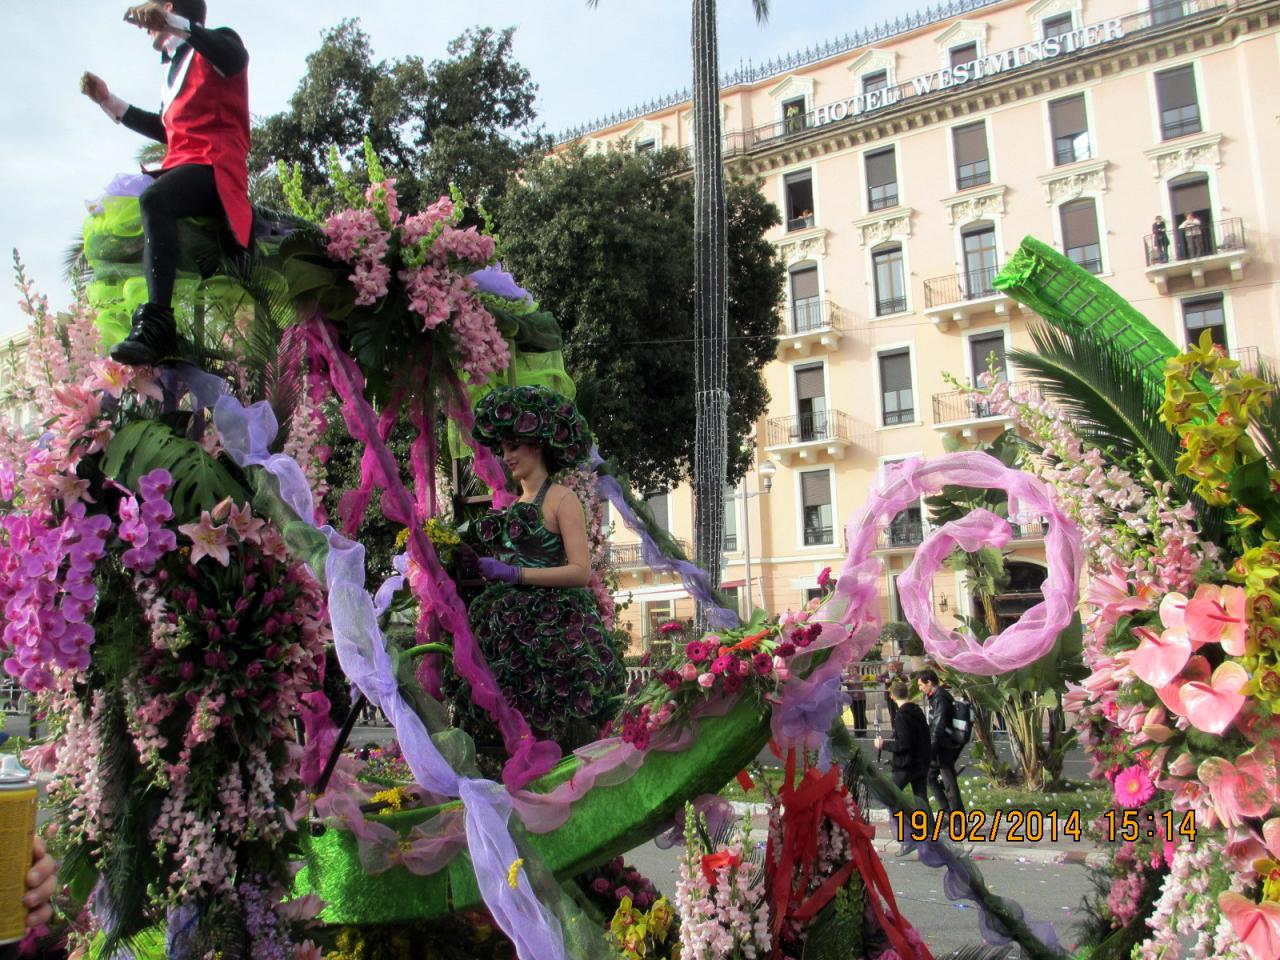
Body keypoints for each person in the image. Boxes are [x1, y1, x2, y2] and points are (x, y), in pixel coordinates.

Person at [445, 385, 624, 751]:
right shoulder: (515, 505)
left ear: (537, 444)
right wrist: (482, 564)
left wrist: (516, 574)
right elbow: (514, 563)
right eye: (503, 449)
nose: (506, 456)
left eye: (513, 447)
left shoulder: (563, 499)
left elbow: (579, 571)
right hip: (507, 630)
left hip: (558, 630)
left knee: (559, 734)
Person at [80, 1, 252, 367]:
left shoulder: (219, 42)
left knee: (155, 200)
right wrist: (107, 101)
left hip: (215, 166)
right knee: (135, 207)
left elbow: (235, 58)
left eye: (153, 10)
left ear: (169, 7)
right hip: (183, 167)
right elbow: (167, 130)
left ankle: (157, 323)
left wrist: (174, 23)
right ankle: (144, 323)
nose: (145, 25)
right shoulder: (174, 70)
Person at [875, 680, 931, 813]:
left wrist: (883, 744)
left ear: (892, 697)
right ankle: (929, 828)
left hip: (906, 764)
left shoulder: (901, 715)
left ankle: (903, 822)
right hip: (921, 761)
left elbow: (904, 743)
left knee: (891, 794)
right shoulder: (917, 710)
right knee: (921, 798)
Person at [918, 669, 965, 816]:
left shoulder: (940, 698)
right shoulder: (936, 697)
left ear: (929, 683)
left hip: (944, 746)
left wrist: (930, 750)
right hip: (941, 744)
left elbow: (938, 727)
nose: (920, 688)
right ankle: (947, 812)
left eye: (921, 685)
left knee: (948, 781)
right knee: (931, 777)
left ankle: (956, 818)